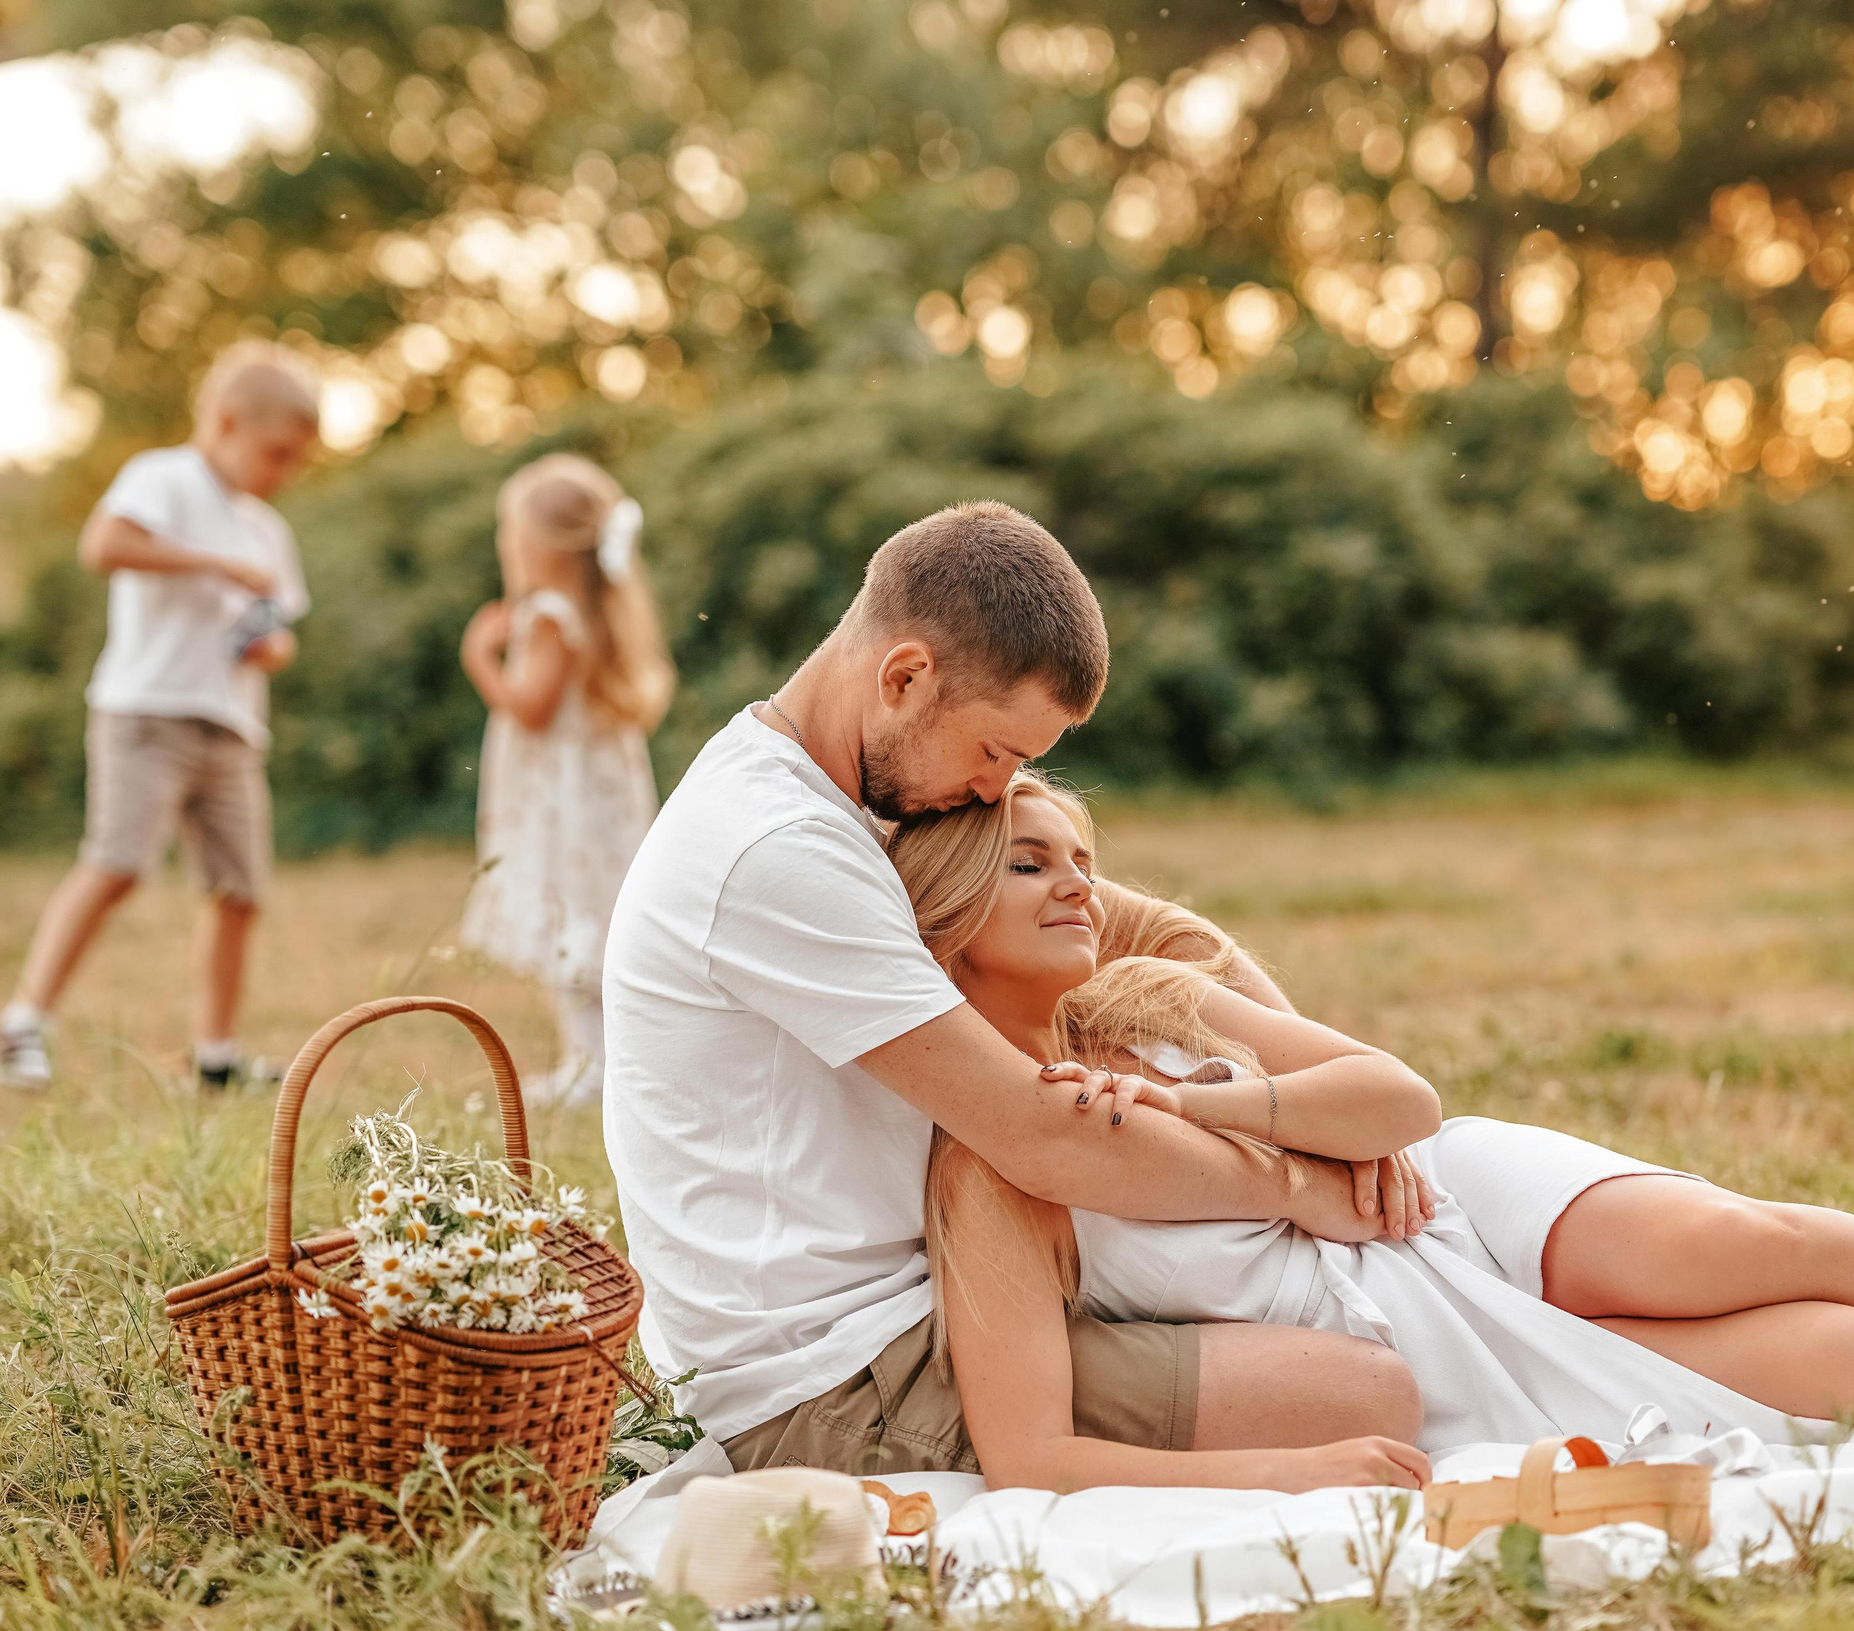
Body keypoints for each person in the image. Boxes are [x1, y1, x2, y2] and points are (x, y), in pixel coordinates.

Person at [892, 773, 1854, 1492]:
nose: (1080, 885)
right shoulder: (991, 1158)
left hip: (1448, 1199)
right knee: (1853, 1370)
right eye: (1028, 864)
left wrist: (1203, 1101)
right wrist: (1299, 1465)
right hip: (1420, 1341)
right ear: (947, 909)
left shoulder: (1154, 1000)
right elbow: (1029, 1452)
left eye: (1081, 853)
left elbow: (1398, 1102)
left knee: (1744, 1237)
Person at [602, 501, 1428, 1488]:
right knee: (1368, 1391)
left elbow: (1143, 926)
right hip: (839, 1380)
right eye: (995, 752)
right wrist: (1301, 1180)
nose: (1000, 791)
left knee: (1344, 1323)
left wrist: (1306, 1089)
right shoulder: (775, 848)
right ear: (904, 677)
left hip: (952, 1291)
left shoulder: (859, 794)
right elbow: (1043, 1134)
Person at [0, 342, 319, 1093]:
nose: (283, 473)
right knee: (118, 863)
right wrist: (216, 565)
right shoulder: (164, 479)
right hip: (146, 712)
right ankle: (20, 1026)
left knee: (239, 892)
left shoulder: (266, 528)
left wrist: (267, 647)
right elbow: (104, 544)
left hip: (229, 726)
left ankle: (217, 1058)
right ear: (227, 423)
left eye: (295, 460)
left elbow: (278, 634)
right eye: (276, 453)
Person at [458, 455, 673, 1108]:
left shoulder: (550, 614)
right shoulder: (591, 608)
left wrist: (480, 658)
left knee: (569, 911)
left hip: (562, 802)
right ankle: (597, 1059)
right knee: (592, 914)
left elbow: (532, 708)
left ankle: (593, 1064)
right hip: (594, 795)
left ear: (534, 543)